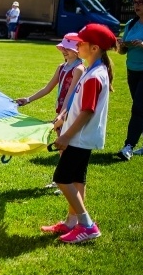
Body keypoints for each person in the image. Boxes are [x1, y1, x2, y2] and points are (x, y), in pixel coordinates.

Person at [42, 23, 116, 244]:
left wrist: (65, 136)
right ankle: (71, 223)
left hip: (79, 137)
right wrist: (63, 119)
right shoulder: (94, 70)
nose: (77, 45)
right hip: (81, 136)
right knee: (76, 180)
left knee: (62, 179)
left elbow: (86, 111)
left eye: (81, 43)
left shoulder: (94, 75)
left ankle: (87, 225)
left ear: (94, 48)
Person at [16, 33, 85, 133]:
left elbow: (71, 94)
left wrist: (61, 115)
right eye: (63, 48)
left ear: (77, 50)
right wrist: (28, 100)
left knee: (66, 142)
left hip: (71, 111)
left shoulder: (79, 69)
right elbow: (47, 88)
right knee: (60, 141)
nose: (64, 51)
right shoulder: (61, 67)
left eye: (68, 48)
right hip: (61, 108)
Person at [115, 0, 143, 160]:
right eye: (134, 2)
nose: (136, 5)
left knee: (138, 108)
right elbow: (122, 52)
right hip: (132, 70)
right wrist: (121, 45)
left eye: (140, 2)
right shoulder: (130, 23)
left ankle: (128, 146)